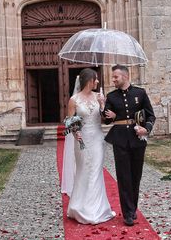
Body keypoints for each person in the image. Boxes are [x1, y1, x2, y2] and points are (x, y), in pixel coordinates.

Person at [61, 68, 116, 225]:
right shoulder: (74, 100)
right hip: (82, 140)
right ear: (89, 81)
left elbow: (104, 118)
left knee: (96, 172)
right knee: (83, 170)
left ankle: (97, 209)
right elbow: (69, 121)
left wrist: (102, 105)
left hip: (98, 139)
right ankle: (79, 207)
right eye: (96, 79)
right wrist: (75, 132)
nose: (97, 82)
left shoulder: (99, 97)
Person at [103, 65, 155, 226]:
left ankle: (133, 207)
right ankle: (128, 213)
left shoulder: (140, 93)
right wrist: (109, 114)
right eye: (113, 77)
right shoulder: (111, 96)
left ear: (125, 76)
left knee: (135, 175)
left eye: (115, 77)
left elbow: (151, 115)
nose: (113, 80)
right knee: (123, 176)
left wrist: (146, 129)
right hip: (120, 139)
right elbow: (106, 119)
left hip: (137, 139)